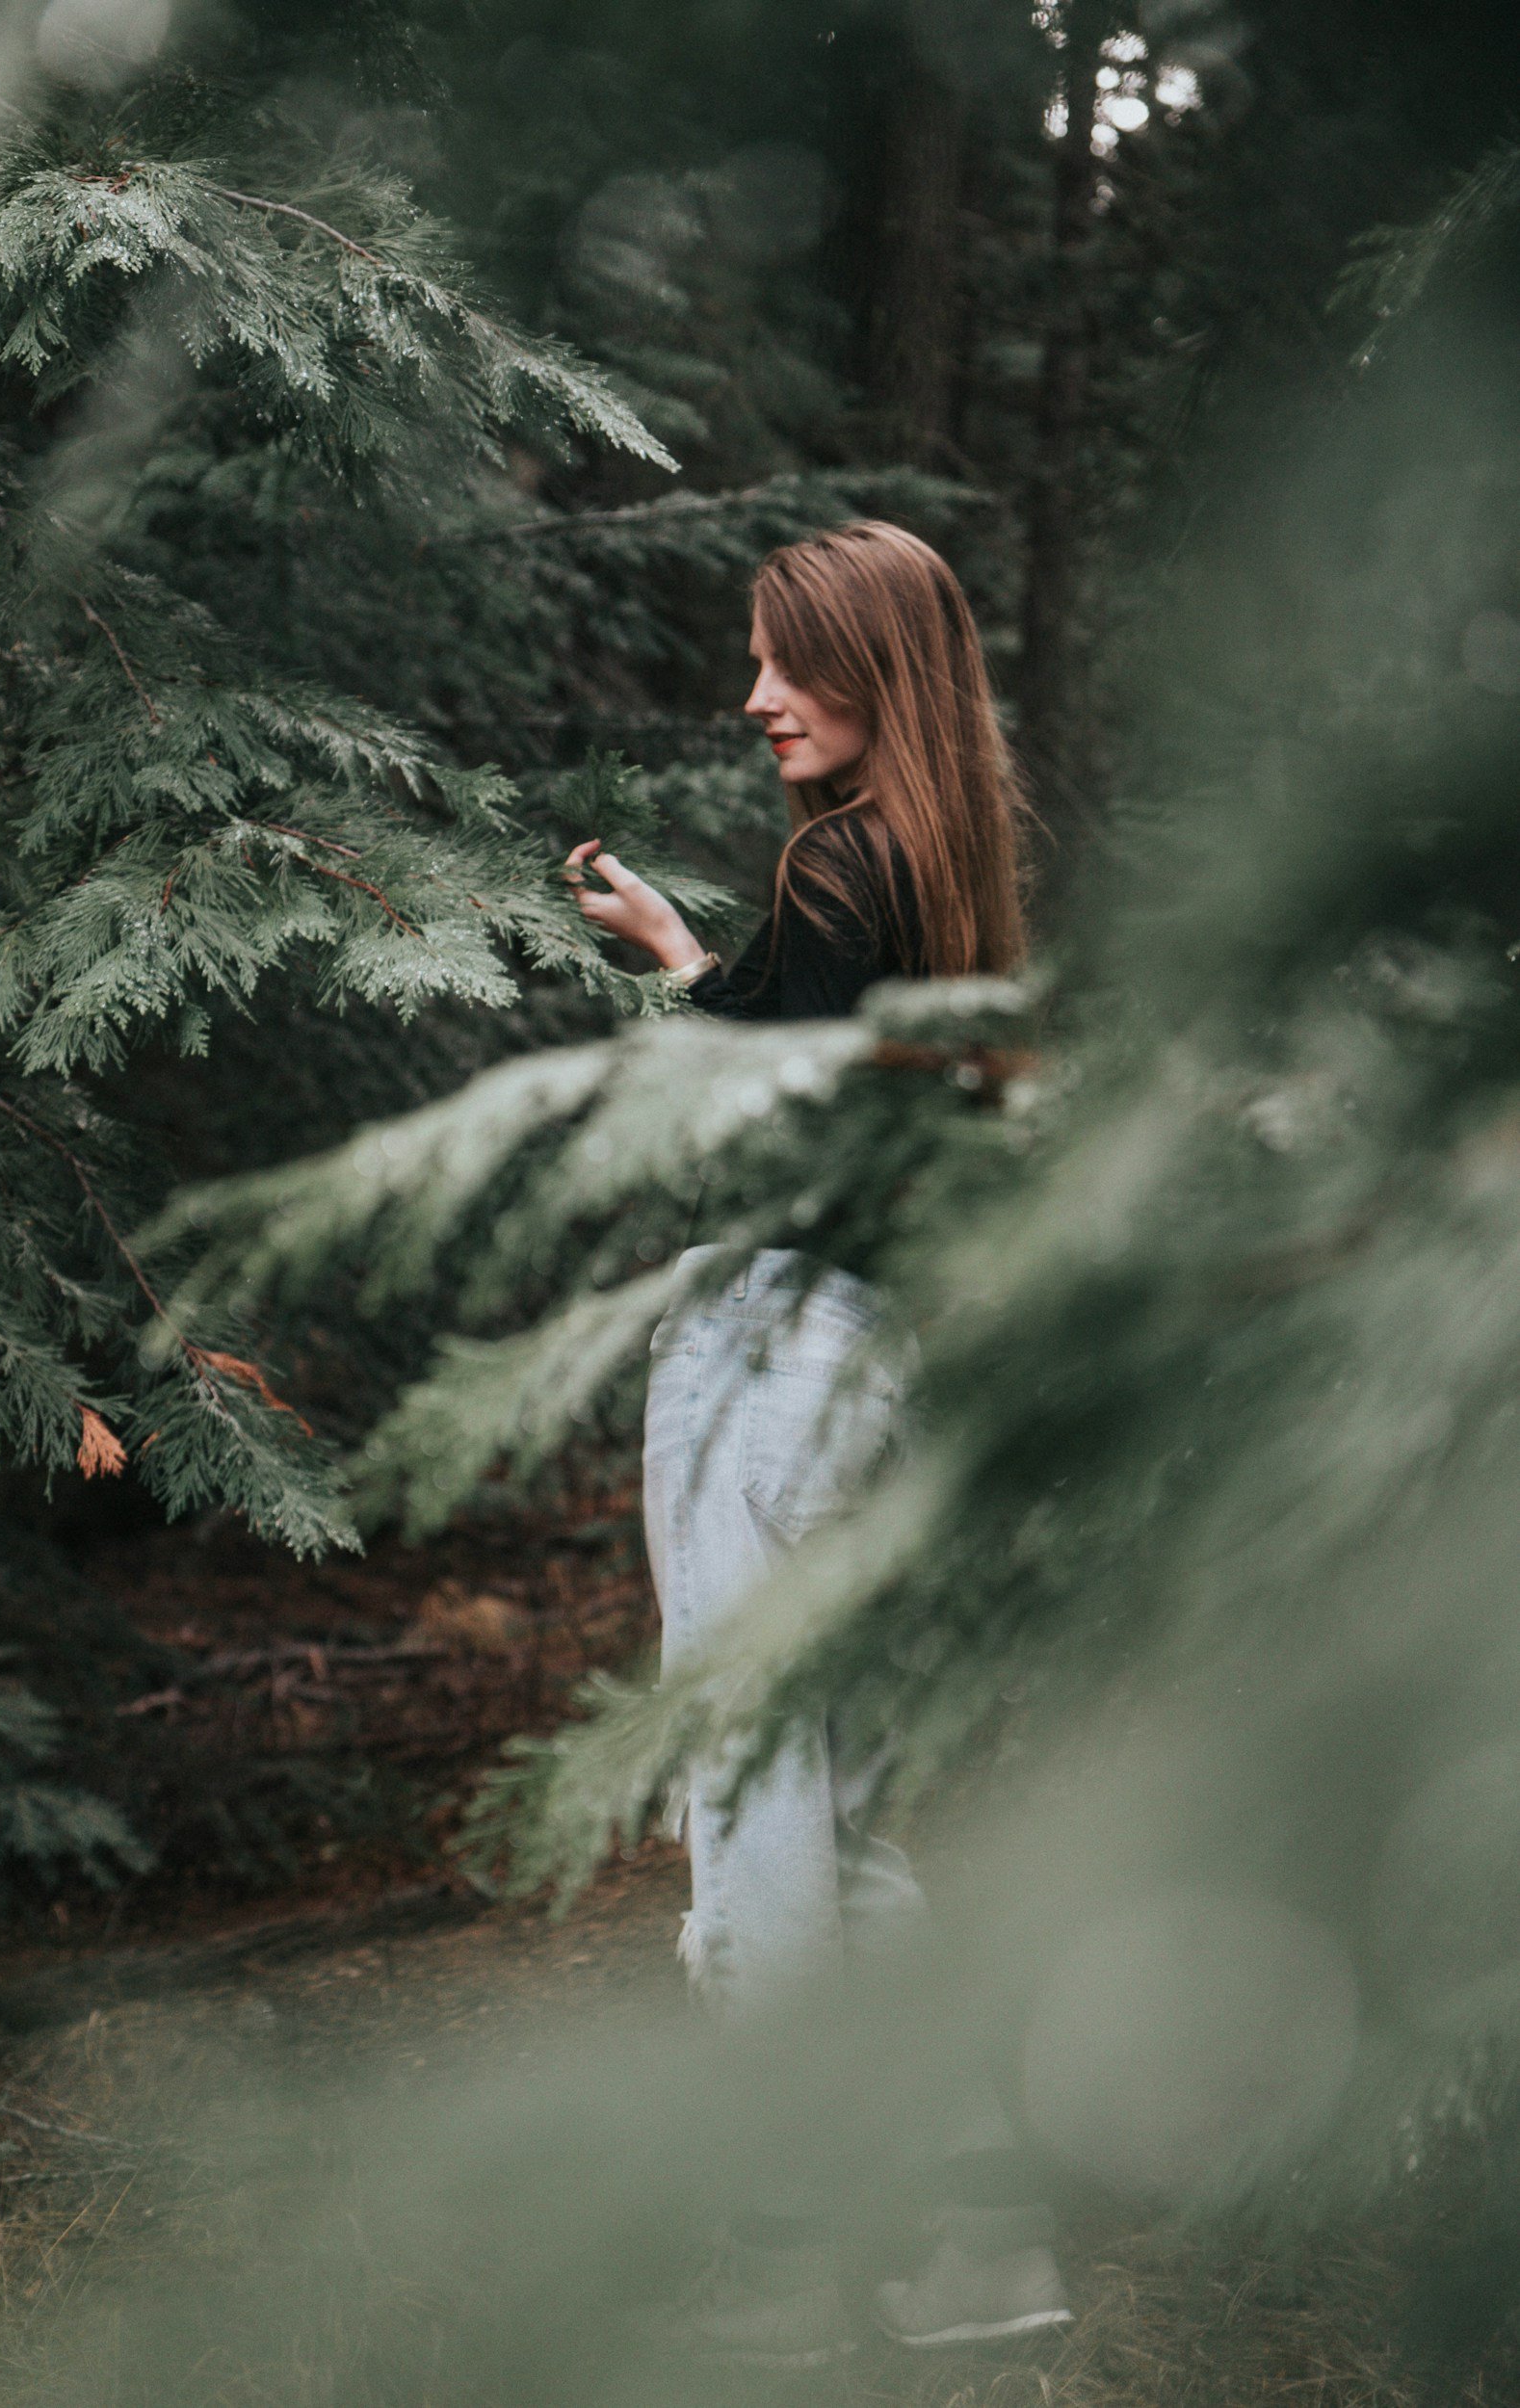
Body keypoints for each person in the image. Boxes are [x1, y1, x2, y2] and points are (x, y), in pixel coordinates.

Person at [563, 522, 1071, 2364]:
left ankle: (782, 2260)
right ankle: (983, 2246)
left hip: (773, 1363)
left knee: (757, 1821)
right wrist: (690, 953)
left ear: (880, 666)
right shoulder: (937, 867)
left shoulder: (844, 861)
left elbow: (760, 1117)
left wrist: (686, 978)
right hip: (872, 1366)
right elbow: (805, 1055)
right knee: (835, 1823)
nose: (755, 694)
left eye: (792, 661)